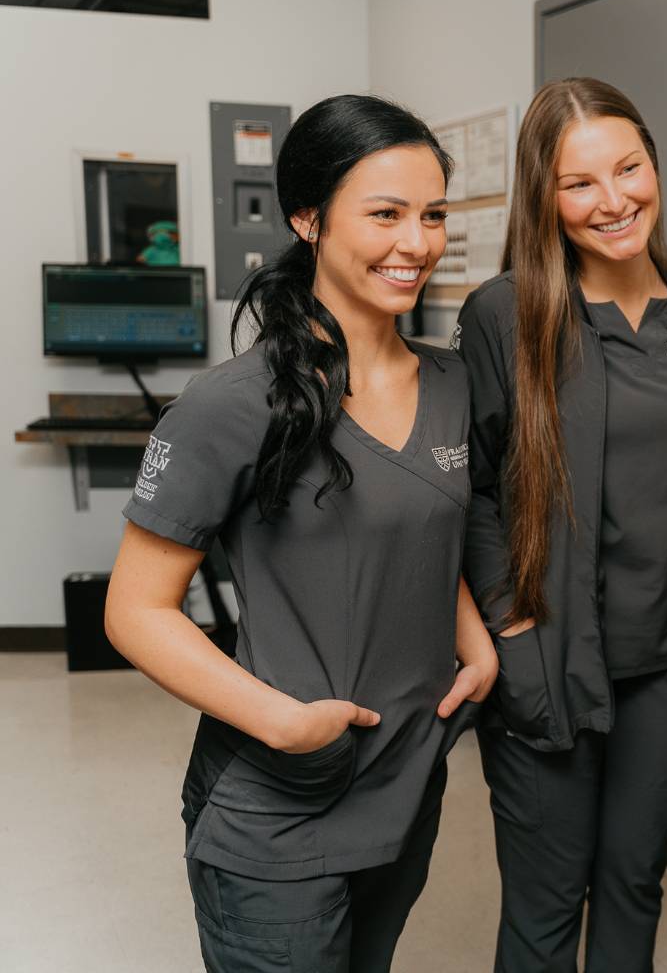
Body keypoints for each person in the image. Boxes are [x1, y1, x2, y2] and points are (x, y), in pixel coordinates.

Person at [103, 95, 496, 972]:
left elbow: (425, 529)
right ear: (308, 218)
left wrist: (474, 642)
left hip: (406, 784)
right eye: (385, 214)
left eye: (433, 215)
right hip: (278, 804)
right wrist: (283, 724)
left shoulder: (453, 384)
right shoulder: (232, 405)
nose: (416, 242)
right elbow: (134, 611)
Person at [454, 78, 667, 973]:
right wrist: (510, 628)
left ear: (654, 164)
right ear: (544, 197)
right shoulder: (506, 313)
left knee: (633, 883)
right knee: (545, 907)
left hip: (666, 664)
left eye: (629, 168)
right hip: (547, 656)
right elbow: (474, 490)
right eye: (579, 183)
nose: (614, 200)